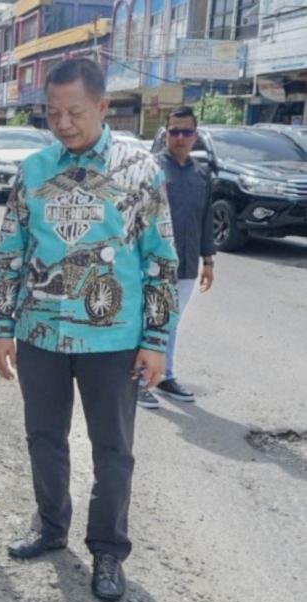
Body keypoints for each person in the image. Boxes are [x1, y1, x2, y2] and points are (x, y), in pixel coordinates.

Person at [0, 58, 179, 602]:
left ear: (101, 105)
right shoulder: (34, 170)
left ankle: (108, 550)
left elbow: (160, 259)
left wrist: (156, 340)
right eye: (52, 112)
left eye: (74, 111)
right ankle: (50, 527)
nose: (63, 123)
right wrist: (3, 326)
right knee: (43, 438)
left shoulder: (140, 168)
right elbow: (11, 251)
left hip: (112, 341)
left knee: (112, 449)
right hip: (39, 335)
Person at [137, 106, 214, 409]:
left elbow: (206, 219)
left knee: (171, 322)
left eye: (187, 132)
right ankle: (140, 380)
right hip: (152, 265)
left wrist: (208, 261)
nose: (180, 137)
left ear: (195, 135)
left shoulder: (202, 174)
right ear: (165, 133)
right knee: (148, 322)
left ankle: (165, 375)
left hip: (187, 266)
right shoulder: (150, 169)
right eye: (174, 131)